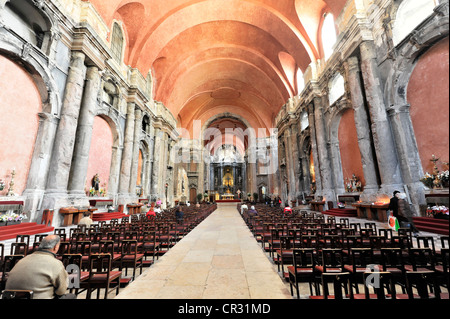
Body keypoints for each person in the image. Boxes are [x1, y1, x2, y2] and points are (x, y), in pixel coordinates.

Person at [5, 235, 75, 299]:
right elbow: (61, 291)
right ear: (55, 247)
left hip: (12, 297)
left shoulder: (22, 260)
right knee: (71, 296)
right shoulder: (56, 263)